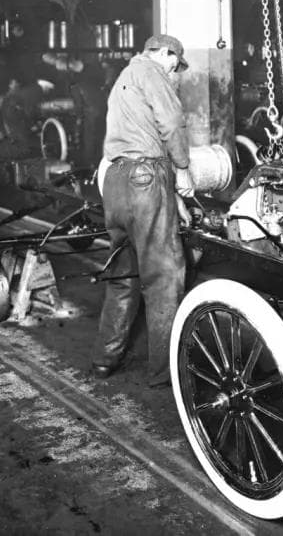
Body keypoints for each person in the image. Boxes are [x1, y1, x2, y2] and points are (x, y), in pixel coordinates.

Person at [91, 34, 194, 386]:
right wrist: (182, 170)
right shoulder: (152, 74)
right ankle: (166, 373)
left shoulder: (124, 77)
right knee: (163, 276)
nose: (174, 71)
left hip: (116, 182)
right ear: (163, 53)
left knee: (123, 275)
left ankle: (105, 358)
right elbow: (171, 122)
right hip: (145, 178)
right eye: (174, 63)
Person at [70, 62, 108, 168]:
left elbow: (79, 107)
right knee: (100, 138)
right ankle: (99, 162)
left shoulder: (76, 88)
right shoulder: (94, 85)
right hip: (102, 113)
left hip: (90, 115)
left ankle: (88, 163)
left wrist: (77, 121)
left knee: (88, 139)